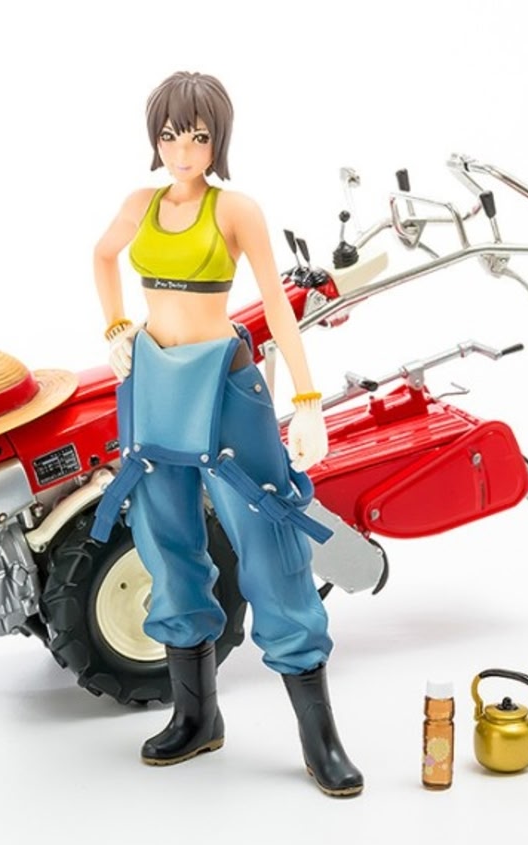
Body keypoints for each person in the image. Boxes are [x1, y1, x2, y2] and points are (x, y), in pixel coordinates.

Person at [90, 71, 363, 797]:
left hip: (226, 388)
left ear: (219, 142)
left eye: (199, 136)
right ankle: (195, 716)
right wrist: (116, 327)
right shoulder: (139, 204)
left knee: (269, 545)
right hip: (152, 384)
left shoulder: (235, 208)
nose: (182, 150)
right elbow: (103, 255)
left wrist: (307, 399)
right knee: (164, 543)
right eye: (170, 135)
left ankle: (320, 738)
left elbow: (275, 305)